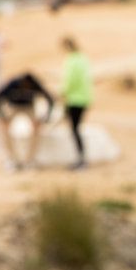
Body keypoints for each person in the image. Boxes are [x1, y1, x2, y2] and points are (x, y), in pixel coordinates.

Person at [0, 71, 53, 172]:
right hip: (13, 107)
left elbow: (50, 99)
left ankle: (30, 160)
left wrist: (43, 119)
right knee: (3, 127)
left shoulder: (35, 83)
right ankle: (11, 159)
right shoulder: (13, 83)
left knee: (37, 128)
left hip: (29, 107)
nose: (27, 88)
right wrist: (2, 116)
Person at [59, 36, 93, 171]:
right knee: (76, 129)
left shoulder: (71, 60)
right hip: (85, 98)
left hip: (74, 99)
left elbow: (70, 81)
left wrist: (61, 92)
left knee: (75, 129)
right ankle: (81, 158)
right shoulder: (83, 58)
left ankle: (81, 159)